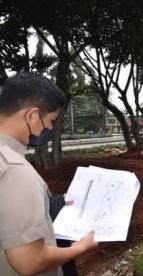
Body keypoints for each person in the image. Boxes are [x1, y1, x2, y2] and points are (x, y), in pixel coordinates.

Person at [0, 72, 98, 276]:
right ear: (32, 115)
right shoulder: (16, 170)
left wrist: (54, 204)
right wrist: (79, 248)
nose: (51, 127)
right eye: (51, 120)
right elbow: (29, 262)